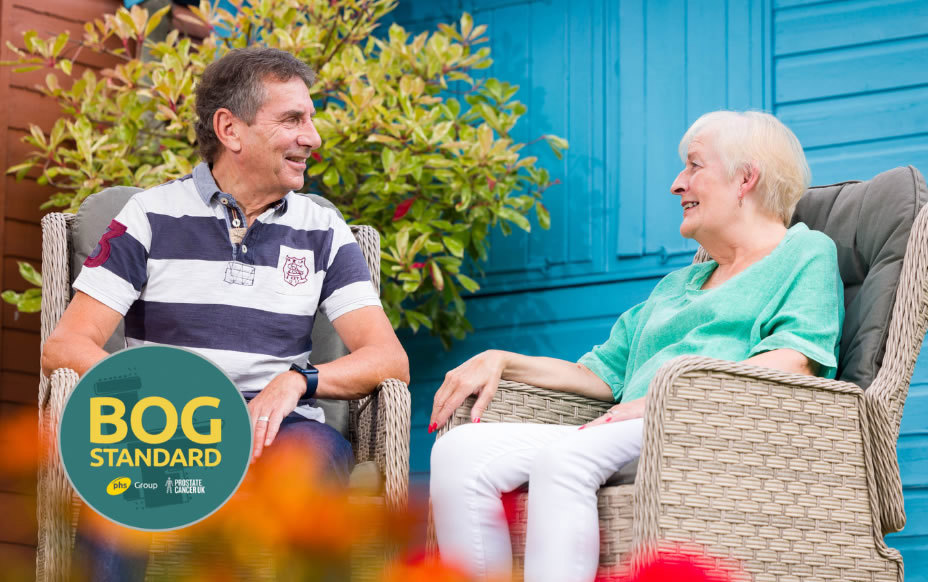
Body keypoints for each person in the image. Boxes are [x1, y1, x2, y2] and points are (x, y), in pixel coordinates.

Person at [41, 47, 410, 581]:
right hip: (163, 428)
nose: (313, 137)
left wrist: (297, 381)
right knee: (115, 473)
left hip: (277, 430)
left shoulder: (322, 230)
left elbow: (388, 359)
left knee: (312, 463)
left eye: (309, 118)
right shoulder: (150, 216)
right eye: (292, 119)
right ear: (230, 130)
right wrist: (162, 399)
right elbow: (66, 346)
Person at [428, 110, 843, 582]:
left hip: (709, 426)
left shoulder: (804, 253)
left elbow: (795, 359)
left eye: (693, 166)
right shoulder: (677, 285)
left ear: (746, 177)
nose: (676, 184)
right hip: (626, 425)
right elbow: (600, 375)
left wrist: (664, 399)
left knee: (563, 459)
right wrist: (501, 359)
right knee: (459, 452)